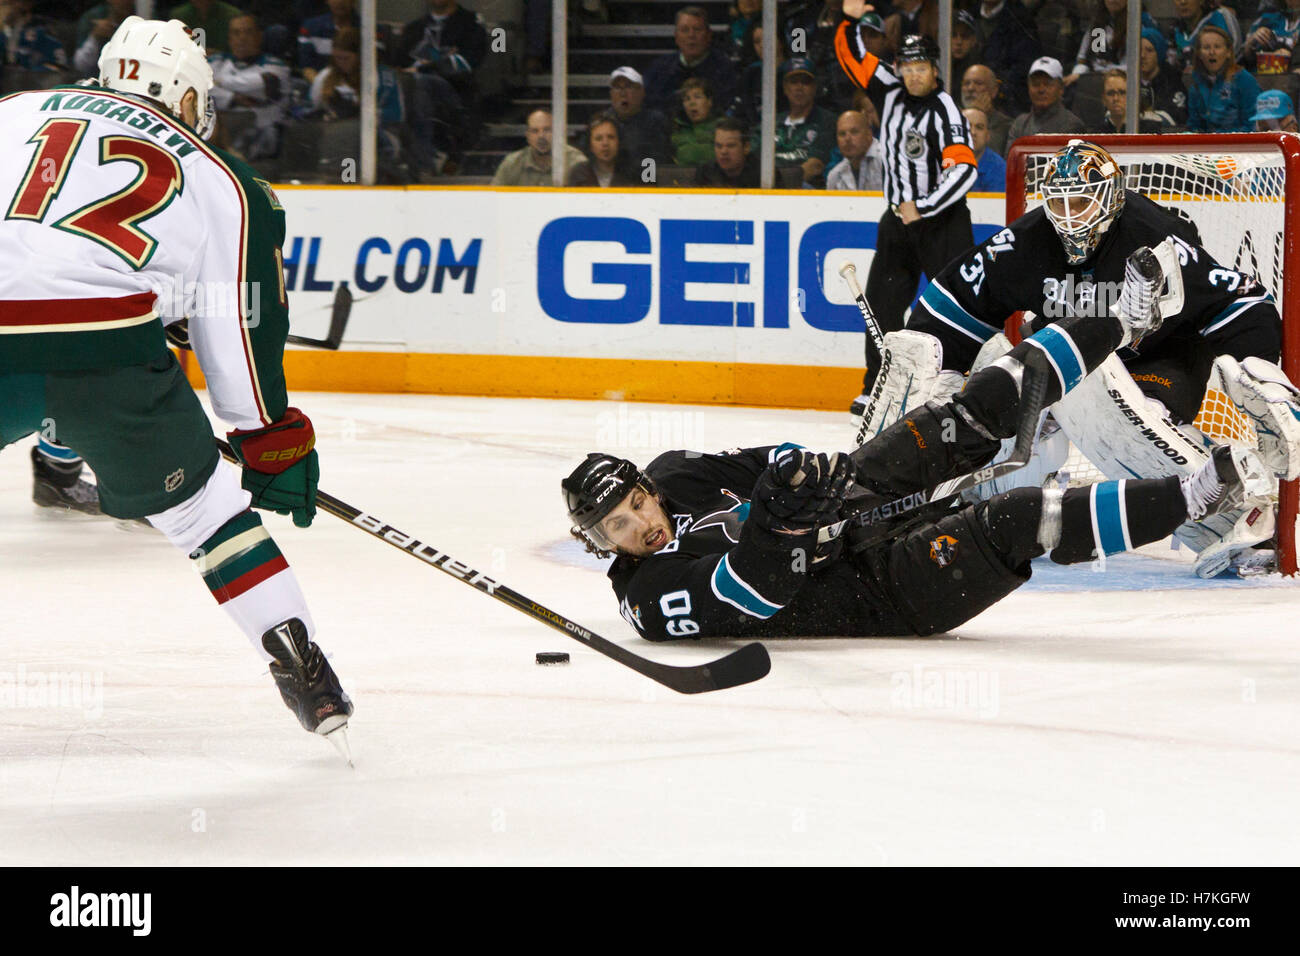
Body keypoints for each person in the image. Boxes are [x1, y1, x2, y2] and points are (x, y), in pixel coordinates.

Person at [0, 16, 352, 747]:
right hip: (106, 357)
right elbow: (239, 328)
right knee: (205, 517)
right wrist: (267, 437)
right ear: (184, 97)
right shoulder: (223, 178)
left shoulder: (13, 111)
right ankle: (302, 668)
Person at [562, 296, 1274, 641]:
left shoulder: (678, 472)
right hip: (881, 592)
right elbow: (753, 593)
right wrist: (780, 516)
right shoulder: (647, 597)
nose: (637, 529)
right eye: (615, 529)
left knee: (974, 406)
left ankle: (1128, 319)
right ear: (601, 544)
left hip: (852, 505)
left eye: (633, 507)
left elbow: (776, 464)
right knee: (1023, 519)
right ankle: (1207, 488)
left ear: (646, 488)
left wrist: (801, 478)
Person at [886, 140, 1298, 576]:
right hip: (1071, 365)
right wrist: (933, 367)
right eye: (1058, 204)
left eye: (1081, 202)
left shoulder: (1153, 236)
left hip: (1160, 359)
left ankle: (1243, 518)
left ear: (1111, 198)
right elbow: (953, 302)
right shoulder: (1027, 240)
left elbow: (1240, 302)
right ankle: (962, 500)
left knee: (1130, 423)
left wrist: (1259, 368)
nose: (1068, 217)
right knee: (999, 381)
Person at [834, 19, 976, 417]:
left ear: (935, 70)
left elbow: (963, 170)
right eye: (907, 68)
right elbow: (852, 57)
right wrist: (848, 19)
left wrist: (926, 205)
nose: (913, 76)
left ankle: (962, 385)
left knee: (955, 309)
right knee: (882, 306)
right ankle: (876, 386)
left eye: (921, 68)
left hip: (942, 224)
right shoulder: (889, 92)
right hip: (897, 222)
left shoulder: (946, 111)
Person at [395, 0, 490, 177]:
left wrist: (422, 68)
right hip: (412, 94)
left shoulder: (471, 24)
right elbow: (398, 67)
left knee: (421, 83)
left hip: (455, 96)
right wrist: (440, 62)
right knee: (409, 85)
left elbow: (466, 64)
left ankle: (426, 160)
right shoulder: (413, 28)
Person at [209, 14, 291, 162]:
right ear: (229, 39)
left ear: (259, 36)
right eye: (236, 33)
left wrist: (216, 82)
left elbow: (258, 85)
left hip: (262, 145)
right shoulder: (216, 62)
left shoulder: (277, 67)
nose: (242, 38)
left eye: (248, 32)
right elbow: (199, 86)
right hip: (220, 138)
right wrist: (233, 98)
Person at [644, 6, 737, 115]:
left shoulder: (724, 68)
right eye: (684, 30)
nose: (691, 35)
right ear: (676, 37)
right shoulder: (659, 68)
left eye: (697, 29)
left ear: (708, 35)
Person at [770, 57, 836, 187]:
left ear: (815, 87)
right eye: (793, 82)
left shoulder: (827, 121)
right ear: (784, 87)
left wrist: (778, 186)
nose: (799, 87)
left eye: (805, 82)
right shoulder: (771, 123)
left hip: (805, 191)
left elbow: (815, 166)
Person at [1187, 24, 1261, 133]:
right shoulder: (1196, 85)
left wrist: (1218, 138)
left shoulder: (1244, 80)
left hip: (1238, 145)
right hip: (1206, 147)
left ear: (1228, 52)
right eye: (1206, 47)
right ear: (1199, 54)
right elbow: (1194, 125)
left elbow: (1253, 126)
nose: (1212, 52)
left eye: (1217, 47)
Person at [974, 0, 1041, 114]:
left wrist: (996, 87)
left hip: (1007, 102)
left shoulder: (1020, 19)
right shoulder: (970, 14)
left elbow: (1024, 68)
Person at [491, 108, 585, 186]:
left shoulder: (577, 163)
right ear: (528, 136)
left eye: (547, 130)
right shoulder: (512, 163)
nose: (541, 136)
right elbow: (493, 199)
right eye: (535, 131)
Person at [1007, 56, 1087, 141]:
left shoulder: (1072, 125)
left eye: (1048, 84)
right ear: (1028, 88)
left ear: (1061, 89)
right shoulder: (1020, 123)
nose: (1041, 90)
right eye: (1035, 84)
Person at [608, 66, 670, 169]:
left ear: (641, 92)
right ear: (611, 94)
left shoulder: (655, 121)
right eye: (617, 88)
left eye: (628, 87)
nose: (623, 93)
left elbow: (660, 161)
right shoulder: (602, 122)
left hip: (645, 181)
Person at [568, 112, 641, 187]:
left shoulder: (631, 173)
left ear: (619, 141)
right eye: (598, 139)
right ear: (590, 144)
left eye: (611, 137)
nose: (605, 143)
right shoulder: (579, 173)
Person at [1090, 68, 1169, 133]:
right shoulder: (1097, 133)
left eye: (1122, 92)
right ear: (1104, 99)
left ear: (1131, 96)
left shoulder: (1149, 131)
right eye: (1110, 93)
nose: (1116, 98)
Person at [960, 64, 1012, 157]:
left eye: (978, 83)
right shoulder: (951, 120)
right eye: (966, 83)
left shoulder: (1007, 127)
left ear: (994, 90)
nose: (970, 88)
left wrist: (978, 114)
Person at [1138, 27, 1186, 126]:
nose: (1142, 55)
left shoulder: (1173, 82)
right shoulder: (1126, 81)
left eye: (1149, 50)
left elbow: (1174, 118)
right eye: (1138, 50)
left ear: (1159, 53)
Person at [693, 116, 761, 187]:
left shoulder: (762, 174)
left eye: (731, 146)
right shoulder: (705, 173)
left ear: (746, 147)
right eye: (719, 146)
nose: (723, 152)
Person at [74, 0, 136, 76]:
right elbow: (80, 65)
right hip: (97, 80)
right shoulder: (93, 17)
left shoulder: (144, 16)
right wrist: (95, 37)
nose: (125, 2)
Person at [825, 109, 883, 190]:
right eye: (842, 134)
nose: (847, 139)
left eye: (854, 132)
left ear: (869, 135)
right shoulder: (834, 176)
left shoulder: (888, 161)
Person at [671, 77, 721, 166]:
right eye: (687, 99)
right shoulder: (676, 130)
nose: (692, 103)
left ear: (709, 101)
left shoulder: (723, 127)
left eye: (697, 97)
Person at [168, 0, 245, 55]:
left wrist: (216, 55)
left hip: (225, 63)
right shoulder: (178, 16)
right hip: (187, 60)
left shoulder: (232, 15)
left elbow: (239, 47)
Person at [962, 107, 1005, 192]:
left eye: (979, 127)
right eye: (967, 126)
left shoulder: (1000, 169)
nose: (973, 132)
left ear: (987, 136)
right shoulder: (940, 161)